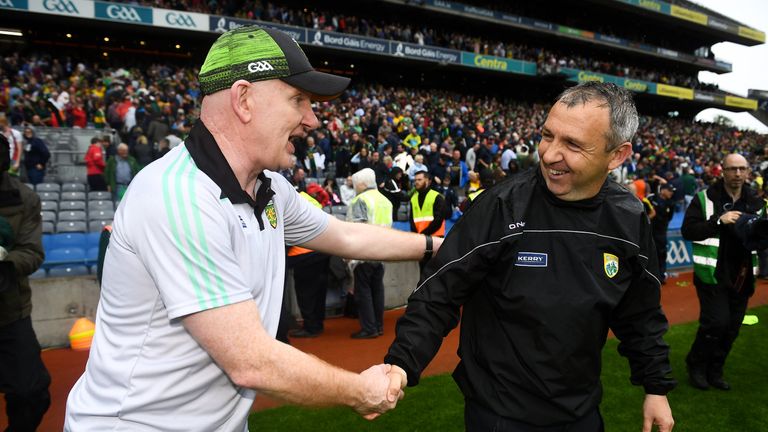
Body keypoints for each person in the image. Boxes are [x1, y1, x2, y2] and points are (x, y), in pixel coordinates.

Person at [65, 26, 441, 431]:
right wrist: (360, 390)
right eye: (298, 100)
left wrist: (441, 245)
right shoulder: (177, 196)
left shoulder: (270, 187)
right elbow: (251, 362)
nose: (312, 120)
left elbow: (346, 235)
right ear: (243, 99)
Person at [384, 82, 676, 432]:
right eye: (547, 135)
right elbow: (439, 292)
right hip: (499, 415)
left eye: (572, 144)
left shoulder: (628, 217)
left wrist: (656, 387)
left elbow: (640, 312)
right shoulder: (501, 205)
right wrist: (401, 364)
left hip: (581, 412)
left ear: (617, 155)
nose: (550, 154)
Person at [681, 153, 767, 391]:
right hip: (712, 273)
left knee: (732, 328)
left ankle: (715, 370)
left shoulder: (757, 203)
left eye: (742, 169)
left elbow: (763, 240)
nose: (737, 174)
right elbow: (688, 231)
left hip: (743, 275)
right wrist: (719, 221)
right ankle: (696, 366)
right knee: (716, 323)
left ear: (749, 171)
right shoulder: (704, 198)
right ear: (723, 171)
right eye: (732, 169)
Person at [0, 134, 51, 430]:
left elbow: (32, 253)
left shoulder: (23, 198)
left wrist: (5, 264)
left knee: (32, 394)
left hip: (10, 312)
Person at [346, 168, 393, 339]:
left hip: (364, 252)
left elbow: (359, 228)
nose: (355, 188)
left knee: (363, 292)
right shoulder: (385, 201)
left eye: (356, 184)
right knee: (377, 290)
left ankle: (369, 328)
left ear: (362, 184)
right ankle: (378, 326)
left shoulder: (361, 200)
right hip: (382, 252)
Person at [648, 183, 676, 283]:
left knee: (661, 253)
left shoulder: (671, 203)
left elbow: (669, 217)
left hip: (661, 232)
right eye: (670, 190)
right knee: (649, 253)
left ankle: (661, 276)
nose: (671, 193)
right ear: (663, 190)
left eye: (672, 191)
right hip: (649, 231)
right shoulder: (652, 198)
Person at [409, 170, 446, 239]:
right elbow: (412, 220)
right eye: (415, 180)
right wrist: (417, 235)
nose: (416, 182)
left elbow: (438, 220)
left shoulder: (437, 197)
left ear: (427, 181)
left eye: (419, 180)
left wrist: (423, 234)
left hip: (435, 238)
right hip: (419, 238)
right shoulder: (413, 198)